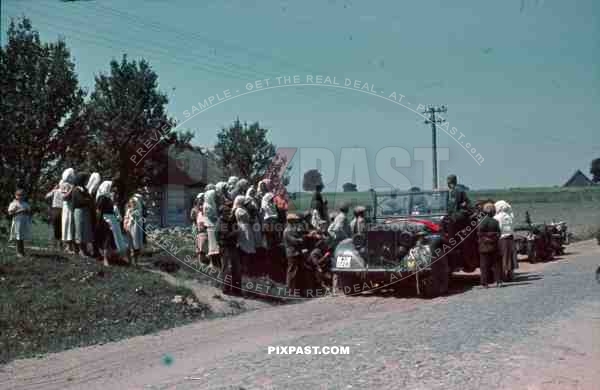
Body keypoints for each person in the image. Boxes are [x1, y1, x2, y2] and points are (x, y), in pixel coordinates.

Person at [96, 181, 127, 266]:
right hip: (106, 220)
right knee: (107, 238)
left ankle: (113, 257)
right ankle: (105, 259)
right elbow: (98, 211)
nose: (113, 189)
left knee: (113, 239)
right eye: (111, 187)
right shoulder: (102, 198)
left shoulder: (108, 197)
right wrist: (100, 221)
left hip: (112, 219)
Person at [218, 194, 242, 296]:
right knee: (227, 269)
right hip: (226, 247)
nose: (228, 213)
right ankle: (226, 289)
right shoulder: (222, 223)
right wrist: (235, 232)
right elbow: (225, 235)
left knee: (236, 269)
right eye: (226, 212)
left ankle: (236, 290)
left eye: (229, 211)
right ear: (221, 213)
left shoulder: (229, 221)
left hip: (232, 247)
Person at [283, 213, 310, 297]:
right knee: (292, 272)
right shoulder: (287, 230)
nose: (296, 221)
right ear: (290, 221)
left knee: (296, 272)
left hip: (296, 253)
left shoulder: (292, 229)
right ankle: (290, 291)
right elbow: (294, 241)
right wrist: (302, 239)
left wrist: (304, 237)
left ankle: (296, 290)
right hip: (292, 253)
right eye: (295, 220)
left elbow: (298, 237)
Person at [477, 202, 502, 288]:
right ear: (493, 211)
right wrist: (493, 238)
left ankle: (485, 283)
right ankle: (498, 281)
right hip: (494, 245)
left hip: (484, 247)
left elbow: (480, 233)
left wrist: (486, 239)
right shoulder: (495, 222)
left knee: (484, 266)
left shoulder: (482, 221)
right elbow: (499, 233)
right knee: (496, 265)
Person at [71, 173, 94, 258]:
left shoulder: (84, 189)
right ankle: (80, 250)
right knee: (79, 230)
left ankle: (84, 250)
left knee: (85, 230)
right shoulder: (76, 189)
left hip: (86, 211)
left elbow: (89, 199)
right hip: (79, 211)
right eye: (85, 179)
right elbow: (81, 201)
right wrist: (88, 200)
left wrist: (88, 200)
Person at [233, 195, 256, 275]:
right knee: (245, 246)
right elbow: (247, 219)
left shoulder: (242, 209)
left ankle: (247, 267)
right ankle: (245, 268)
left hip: (245, 227)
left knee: (247, 245)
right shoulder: (239, 210)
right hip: (243, 227)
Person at [495, 200, 517, 281]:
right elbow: (511, 213)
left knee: (503, 257)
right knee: (511, 256)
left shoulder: (497, 217)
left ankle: (503, 276)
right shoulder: (509, 216)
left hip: (502, 239)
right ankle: (511, 275)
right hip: (510, 238)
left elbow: (498, 228)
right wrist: (509, 206)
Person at [8, 189, 32, 257]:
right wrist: (19, 211)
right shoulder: (13, 204)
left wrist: (26, 211)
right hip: (17, 223)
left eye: (22, 195)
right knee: (18, 238)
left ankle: (22, 251)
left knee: (22, 238)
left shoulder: (25, 204)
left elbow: (29, 213)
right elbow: (10, 213)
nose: (20, 197)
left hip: (24, 223)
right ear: (15, 196)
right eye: (19, 195)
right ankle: (19, 252)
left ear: (24, 196)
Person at [203, 188, 221, 269]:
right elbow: (213, 217)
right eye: (214, 196)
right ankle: (213, 264)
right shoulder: (207, 206)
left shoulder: (212, 204)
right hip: (211, 227)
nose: (216, 197)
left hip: (214, 226)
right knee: (213, 246)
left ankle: (216, 263)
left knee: (216, 246)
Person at [60, 168, 76, 254]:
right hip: (67, 207)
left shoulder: (71, 184)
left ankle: (70, 246)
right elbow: (64, 197)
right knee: (68, 224)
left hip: (71, 207)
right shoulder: (65, 184)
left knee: (71, 225)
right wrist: (72, 189)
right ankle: (68, 246)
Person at [125, 194, 144, 266]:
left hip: (136, 229)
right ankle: (129, 260)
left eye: (133, 203)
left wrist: (132, 213)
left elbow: (138, 217)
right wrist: (125, 224)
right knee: (129, 244)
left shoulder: (138, 211)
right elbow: (126, 218)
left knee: (136, 245)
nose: (132, 204)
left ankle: (136, 261)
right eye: (131, 203)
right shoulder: (129, 210)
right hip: (130, 229)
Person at [45, 183, 64, 250]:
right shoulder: (56, 191)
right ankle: (55, 245)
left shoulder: (57, 191)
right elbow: (47, 196)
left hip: (58, 209)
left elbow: (46, 196)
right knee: (56, 228)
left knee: (57, 228)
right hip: (56, 209)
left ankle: (57, 245)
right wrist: (53, 190)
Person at [195, 193, 209, 265]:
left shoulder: (205, 207)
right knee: (201, 248)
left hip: (204, 231)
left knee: (203, 248)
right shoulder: (198, 211)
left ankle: (203, 261)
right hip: (200, 231)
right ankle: (201, 261)